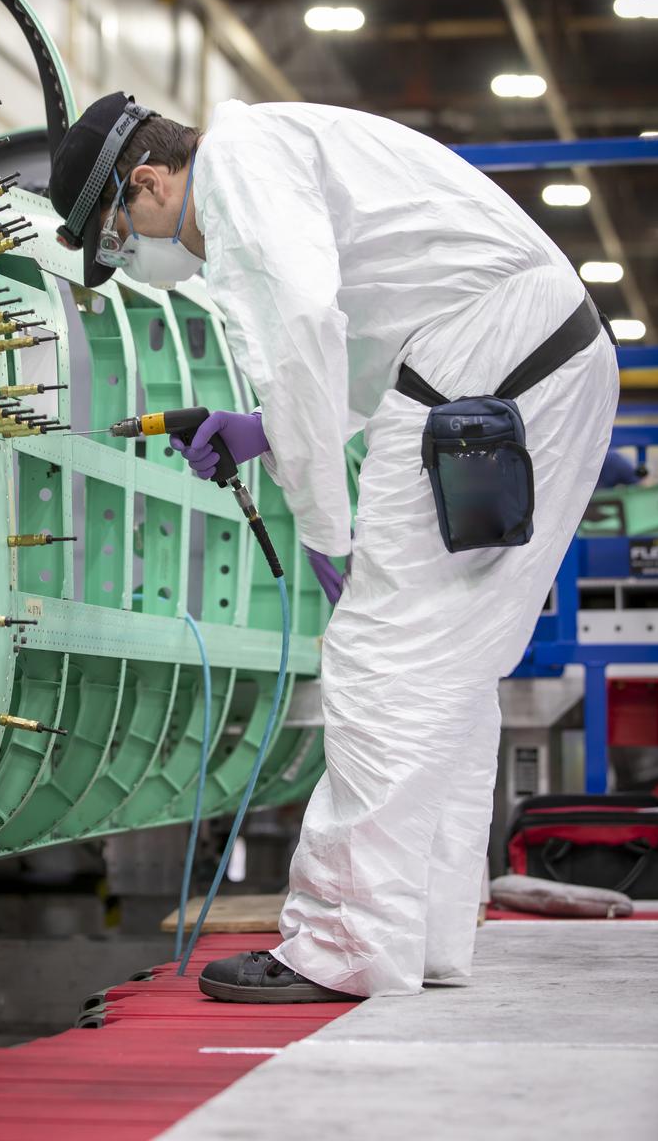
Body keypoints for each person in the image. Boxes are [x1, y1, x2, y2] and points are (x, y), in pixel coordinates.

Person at [49, 92, 619, 1003]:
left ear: (148, 182)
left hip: (484, 370)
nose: (145, 262)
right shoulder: (284, 145)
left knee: (377, 659)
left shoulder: (238, 170)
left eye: (120, 238)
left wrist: (323, 526)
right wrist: (263, 430)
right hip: (537, 363)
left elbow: (307, 327)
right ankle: (423, 933)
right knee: (445, 669)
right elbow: (356, 338)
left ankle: (344, 945)